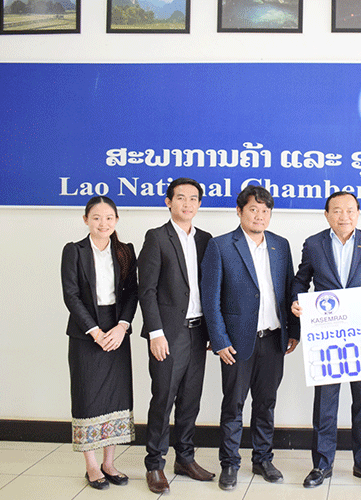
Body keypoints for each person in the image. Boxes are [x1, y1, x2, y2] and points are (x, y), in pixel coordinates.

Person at [200, 185, 300, 490]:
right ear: (239, 211)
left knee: (266, 403)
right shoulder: (220, 246)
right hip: (236, 342)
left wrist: (294, 331)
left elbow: (290, 290)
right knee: (234, 405)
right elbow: (210, 299)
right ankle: (230, 464)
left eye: (265, 211)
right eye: (253, 209)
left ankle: (263, 459)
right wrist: (219, 340)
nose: (259, 216)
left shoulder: (280, 245)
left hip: (274, 339)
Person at [291, 191, 361, 489]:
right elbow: (300, 280)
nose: (343, 216)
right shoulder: (314, 244)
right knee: (325, 403)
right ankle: (322, 466)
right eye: (336, 210)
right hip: (327, 336)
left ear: (358, 213)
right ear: (326, 214)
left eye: (349, 210)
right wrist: (296, 301)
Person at [138, 178, 215, 494]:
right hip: (169, 335)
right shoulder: (156, 237)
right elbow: (147, 290)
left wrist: (214, 331)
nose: (187, 203)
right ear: (168, 201)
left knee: (190, 400)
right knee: (163, 398)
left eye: (193, 198)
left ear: (199, 204)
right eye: (181, 197)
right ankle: (154, 464)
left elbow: (212, 287)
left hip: (199, 333)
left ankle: (185, 458)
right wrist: (155, 333)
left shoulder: (206, 239)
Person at [60, 196, 137, 490]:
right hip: (86, 332)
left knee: (116, 397)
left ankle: (109, 463)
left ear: (116, 220)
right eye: (96, 217)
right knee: (88, 396)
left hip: (117, 329)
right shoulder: (74, 251)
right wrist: (95, 332)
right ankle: (91, 466)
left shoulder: (125, 251)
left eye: (108, 218)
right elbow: (71, 295)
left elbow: (132, 292)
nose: (103, 223)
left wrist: (122, 327)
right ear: (86, 220)